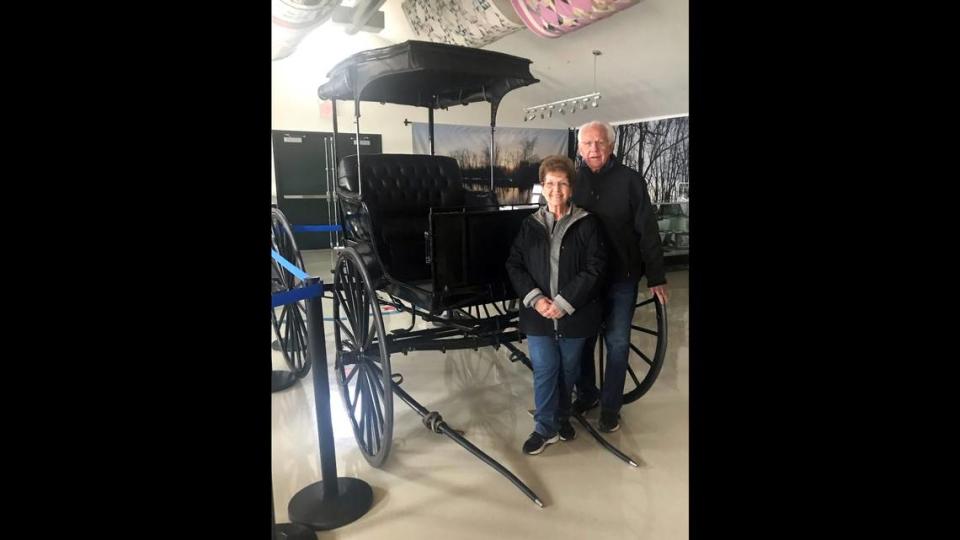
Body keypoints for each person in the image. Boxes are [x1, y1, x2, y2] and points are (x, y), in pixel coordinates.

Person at [571, 121, 669, 433]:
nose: (594, 149)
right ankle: (586, 395)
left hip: (621, 276)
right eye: (587, 143)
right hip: (584, 278)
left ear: (611, 146)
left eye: (600, 143)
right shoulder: (571, 182)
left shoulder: (631, 181)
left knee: (617, 342)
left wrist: (656, 276)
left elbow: (647, 230)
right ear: (579, 148)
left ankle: (611, 407)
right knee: (582, 339)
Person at [506, 155, 607, 455]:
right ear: (542, 186)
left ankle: (561, 418)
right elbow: (514, 265)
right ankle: (545, 428)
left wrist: (564, 302)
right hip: (538, 316)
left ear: (571, 188)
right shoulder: (530, 225)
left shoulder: (587, 224)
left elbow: (595, 268)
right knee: (546, 369)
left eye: (562, 183)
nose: (555, 189)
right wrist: (537, 300)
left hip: (575, 315)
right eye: (549, 183)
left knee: (568, 371)